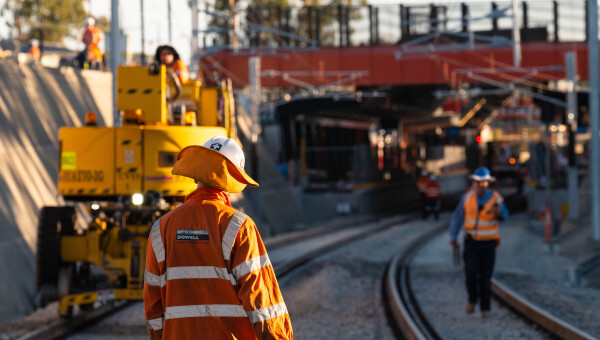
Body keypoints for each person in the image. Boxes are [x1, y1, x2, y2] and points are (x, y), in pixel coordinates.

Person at [143, 136, 293, 339]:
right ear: (234, 179)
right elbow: (262, 303)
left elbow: (153, 307)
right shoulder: (239, 226)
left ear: (196, 175)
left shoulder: (161, 228)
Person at [449, 167, 508, 318]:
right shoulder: (467, 198)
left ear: (488, 183)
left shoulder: (496, 198)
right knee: (471, 272)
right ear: (474, 182)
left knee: (486, 277)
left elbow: (505, 215)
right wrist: (453, 236)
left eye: (484, 182)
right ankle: (472, 299)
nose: (481, 185)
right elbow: (458, 217)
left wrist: (499, 213)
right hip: (471, 243)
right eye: (478, 182)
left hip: (489, 244)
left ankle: (485, 308)